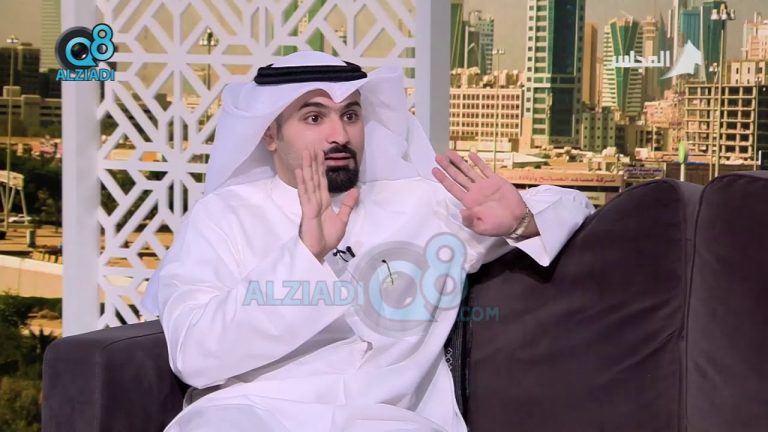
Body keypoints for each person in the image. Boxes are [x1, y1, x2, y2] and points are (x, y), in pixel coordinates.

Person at [142, 51, 594, 432]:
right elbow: (194, 354)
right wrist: (303, 255)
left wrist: (521, 220)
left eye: (351, 115)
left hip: (389, 419)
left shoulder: (420, 205)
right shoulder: (221, 217)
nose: (340, 135)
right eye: (314, 117)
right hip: (255, 414)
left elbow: (572, 205)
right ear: (269, 134)